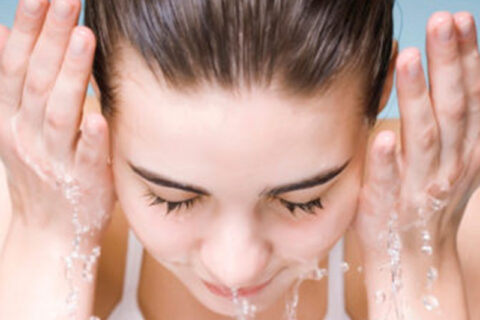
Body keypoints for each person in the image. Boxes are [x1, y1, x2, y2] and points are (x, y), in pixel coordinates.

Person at [0, 0, 479, 319]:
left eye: (302, 201)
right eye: (172, 200)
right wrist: (45, 236)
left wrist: (417, 256)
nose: (237, 269)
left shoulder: (451, 220)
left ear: (379, 96)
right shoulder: (22, 190)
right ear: (102, 99)